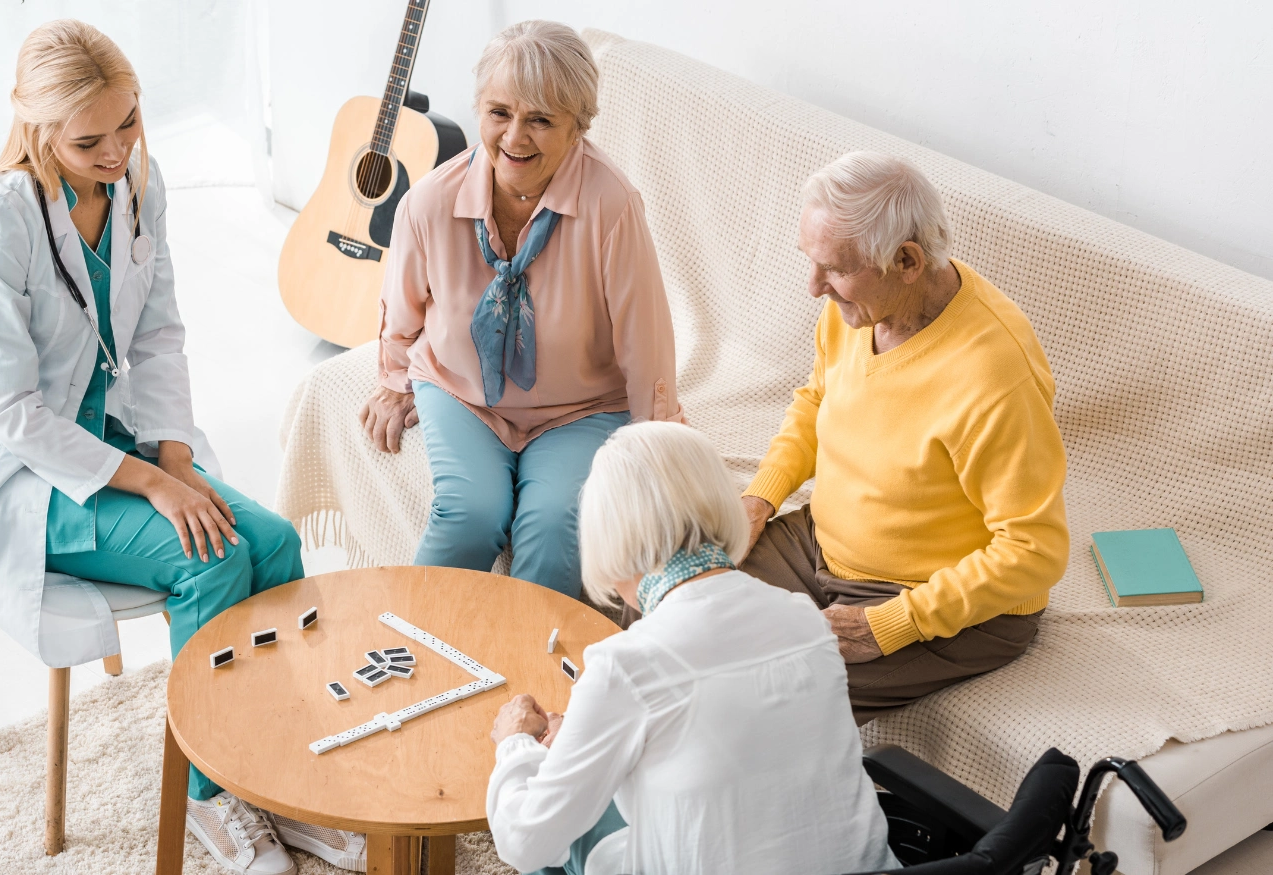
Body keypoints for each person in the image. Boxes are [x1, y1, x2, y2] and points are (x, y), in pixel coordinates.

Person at [0, 21, 353, 875]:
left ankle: (267, 770)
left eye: (128, 124)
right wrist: (150, 485)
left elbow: (157, 335)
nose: (117, 150)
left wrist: (177, 461)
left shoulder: (136, 185)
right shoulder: (1, 220)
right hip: (24, 473)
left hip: (111, 432)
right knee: (208, 561)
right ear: (34, 124)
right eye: (89, 139)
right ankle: (209, 801)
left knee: (275, 542)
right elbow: (11, 410)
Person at [738, 151, 1070, 723]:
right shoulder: (858, 309)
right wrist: (760, 497)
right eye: (811, 263)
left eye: (834, 269)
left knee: (760, 698)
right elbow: (817, 401)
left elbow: (1034, 549)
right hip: (821, 544)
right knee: (675, 598)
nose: (814, 287)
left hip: (933, 600)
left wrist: (892, 624)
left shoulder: (994, 374)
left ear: (907, 260)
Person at [485, 422, 898, 875]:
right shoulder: (805, 620)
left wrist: (516, 745)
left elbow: (524, 843)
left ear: (607, 537)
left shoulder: (624, 665)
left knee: (549, 838)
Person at [361, 20, 681, 598]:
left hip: (581, 407)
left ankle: (531, 676)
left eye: (541, 119)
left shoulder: (612, 205)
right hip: (462, 392)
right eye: (500, 112)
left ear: (578, 127)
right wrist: (393, 380)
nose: (515, 137)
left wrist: (654, 441)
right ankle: (410, 653)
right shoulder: (429, 202)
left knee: (556, 526)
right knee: (470, 515)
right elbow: (402, 310)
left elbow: (644, 336)